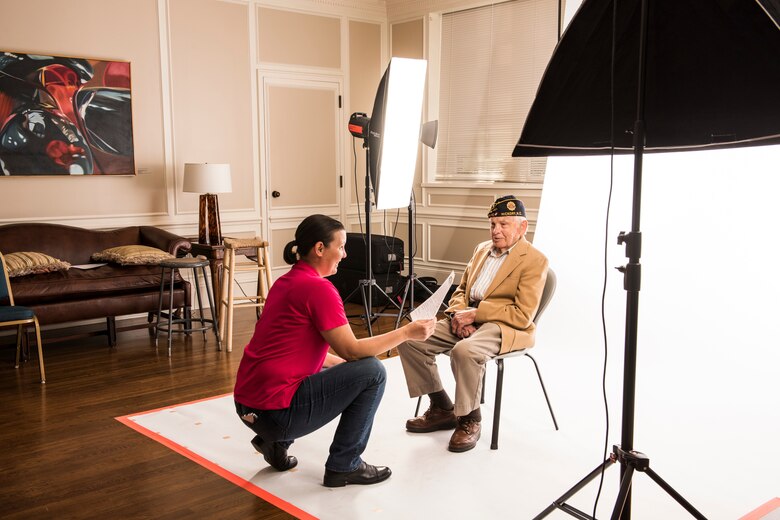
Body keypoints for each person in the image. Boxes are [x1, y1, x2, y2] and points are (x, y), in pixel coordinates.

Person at [233, 214, 435, 487]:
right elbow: (353, 350)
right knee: (373, 371)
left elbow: (289, 348)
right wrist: (407, 332)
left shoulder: (286, 282)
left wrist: (338, 364)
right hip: (276, 415)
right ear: (319, 249)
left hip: (247, 405)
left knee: (344, 367)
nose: (344, 254)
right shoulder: (319, 289)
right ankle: (344, 465)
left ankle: (273, 444)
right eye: (340, 247)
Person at [398, 195, 548, 452]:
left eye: (504, 224)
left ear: (522, 227)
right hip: (466, 318)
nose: (496, 230)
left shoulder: (534, 260)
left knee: (464, 351)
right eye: (492, 224)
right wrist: (459, 315)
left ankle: (470, 419)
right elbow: (462, 290)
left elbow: (522, 314)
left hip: (504, 325)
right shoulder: (482, 249)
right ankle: (443, 407)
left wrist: (476, 316)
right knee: (410, 337)